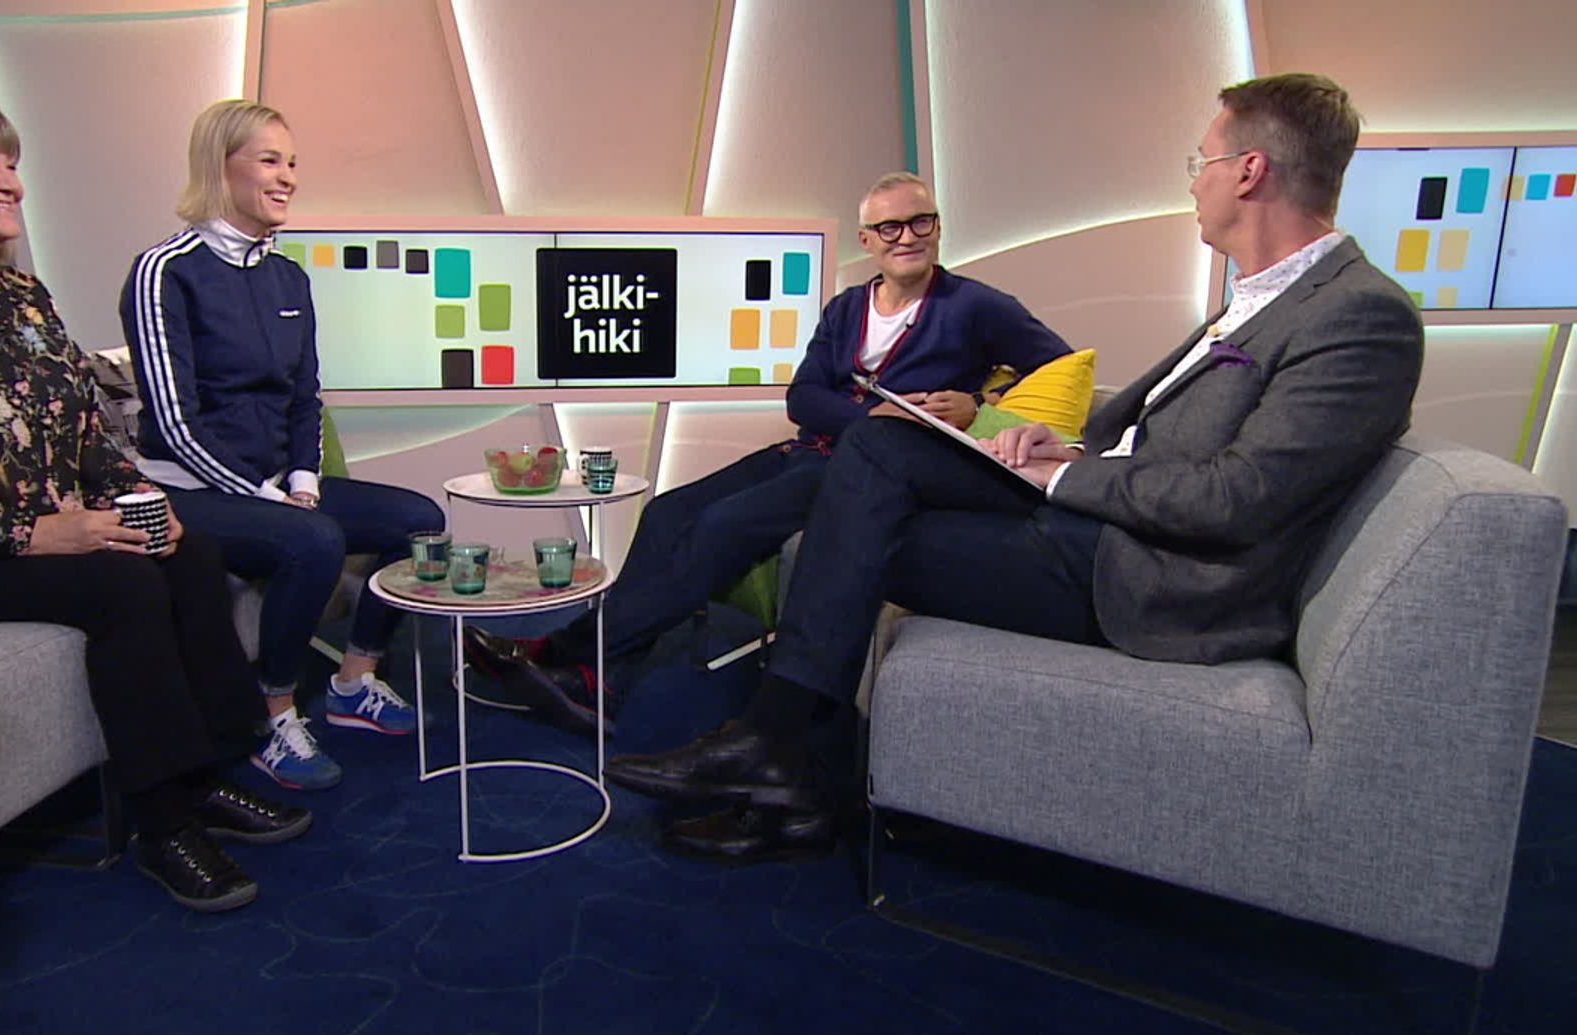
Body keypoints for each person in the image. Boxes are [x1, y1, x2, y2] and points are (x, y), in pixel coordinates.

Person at [603, 72, 1425, 863]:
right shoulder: (1259, 297)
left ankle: (775, 749)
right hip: (1096, 515)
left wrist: (1062, 476)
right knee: (877, 451)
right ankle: (777, 756)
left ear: (1249, 172)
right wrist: (1063, 449)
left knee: (845, 525)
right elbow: (1155, 440)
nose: (1193, 183)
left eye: (1200, 162)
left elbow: (1237, 497)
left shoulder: (1357, 316)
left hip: (1147, 576)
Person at [0, 89, 309, 913]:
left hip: (49, 532)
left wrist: (140, 498)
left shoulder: (24, 298)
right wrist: (38, 533)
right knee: (122, 584)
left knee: (189, 553)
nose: (11, 182)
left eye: (13, 163)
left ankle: (210, 772)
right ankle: (163, 824)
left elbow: (86, 434)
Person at [468, 172, 1072, 731]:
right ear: (868, 239)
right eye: (890, 227)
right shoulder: (846, 307)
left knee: (722, 526)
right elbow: (803, 396)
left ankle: (571, 655)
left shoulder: (976, 306)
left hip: (865, 474)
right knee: (667, 512)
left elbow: (1059, 365)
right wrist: (869, 416)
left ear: (938, 227)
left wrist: (979, 400)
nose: (907, 237)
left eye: (921, 222)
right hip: (806, 449)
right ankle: (600, 674)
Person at [120, 100, 444, 790]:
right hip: (189, 489)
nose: (288, 177)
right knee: (313, 540)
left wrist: (302, 480)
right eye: (269, 160)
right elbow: (174, 422)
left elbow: (305, 397)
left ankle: (354, 682)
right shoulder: (164, 272)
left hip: (274, 484)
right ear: (219, 166)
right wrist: (267, 497)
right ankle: (272, 716)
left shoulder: (288, 277)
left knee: (420, 521)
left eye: (292, 162)